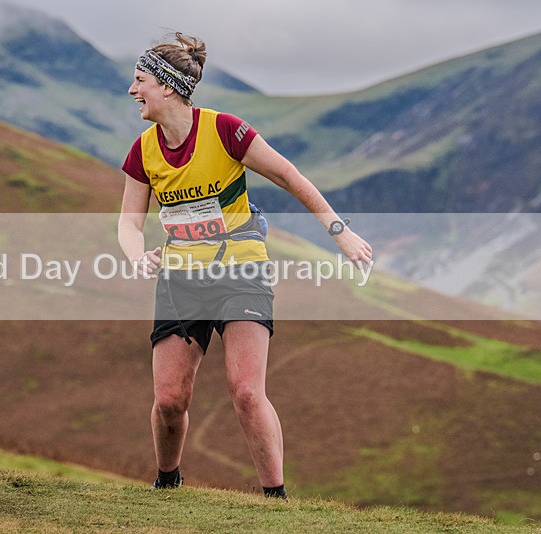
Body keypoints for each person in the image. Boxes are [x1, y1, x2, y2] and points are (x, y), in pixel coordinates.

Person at [118, 33, 372, 498]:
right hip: (181, 278)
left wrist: (341, 232)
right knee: (170, 399)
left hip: (241, 271)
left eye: (139, 81)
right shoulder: (143, 151)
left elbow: (288, 176)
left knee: (246, 391)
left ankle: (274, 498)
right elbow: (128, 226)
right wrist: (139, 257)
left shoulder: (226, 130)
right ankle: (167, 483)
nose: (133, 91)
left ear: (167, 86)